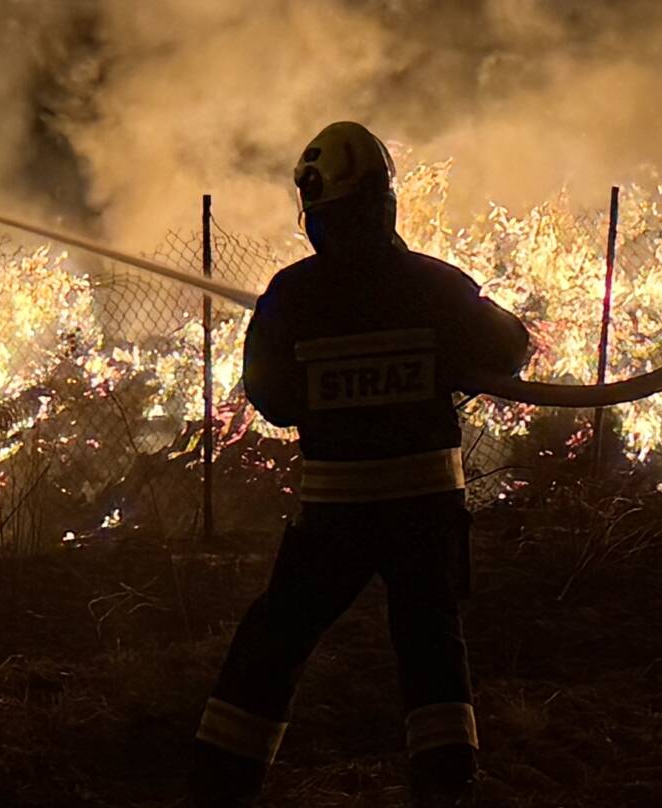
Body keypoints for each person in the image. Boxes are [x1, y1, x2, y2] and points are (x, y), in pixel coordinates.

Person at [190, 121, 532, 806]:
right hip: (425, 510)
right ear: (385, 203)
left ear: (315, 212)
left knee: (276, 638)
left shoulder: (292, 296)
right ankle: (447, 786)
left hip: (334, 514)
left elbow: (270, 400)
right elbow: (509, 348)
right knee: (431, 643)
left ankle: (221, 784)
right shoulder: (436, 286)